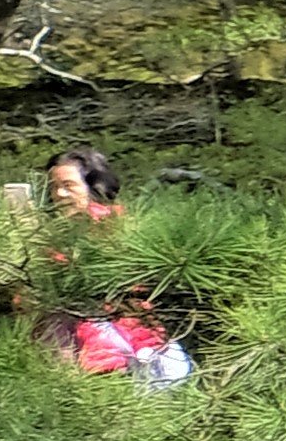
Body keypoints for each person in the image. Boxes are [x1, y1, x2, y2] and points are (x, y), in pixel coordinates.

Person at [39, 148, 184, 380]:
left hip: (114, 331)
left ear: (93, 187)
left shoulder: (108, 225)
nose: (60, 194)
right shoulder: (54, 232)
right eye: (53, 187)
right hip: (83, 333)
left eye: (69, 185)